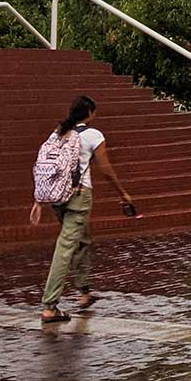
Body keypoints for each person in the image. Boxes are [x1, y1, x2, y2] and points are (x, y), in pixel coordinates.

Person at [36, 95, 135, 323]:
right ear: (90, 113)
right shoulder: (93, 135)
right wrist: (123, 194)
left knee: (82, 240)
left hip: (57, 197)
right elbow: (107, 170)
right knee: (66, 246)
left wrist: (39, 198)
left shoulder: (58, 132)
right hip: (79, 197)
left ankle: (84, 293)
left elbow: (45, 165)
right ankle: (50, 306)